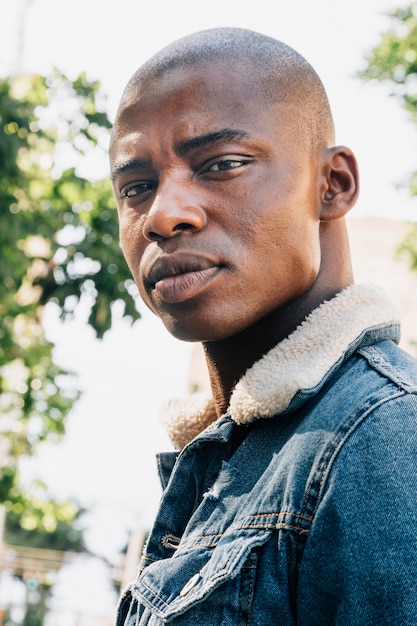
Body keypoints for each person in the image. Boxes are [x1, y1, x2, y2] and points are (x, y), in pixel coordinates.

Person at [109, 27, 417, 625]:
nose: (164, 216)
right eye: (137, 187)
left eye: (222, 164)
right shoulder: (241, 457)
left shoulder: (384, 438)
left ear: (333, 185)